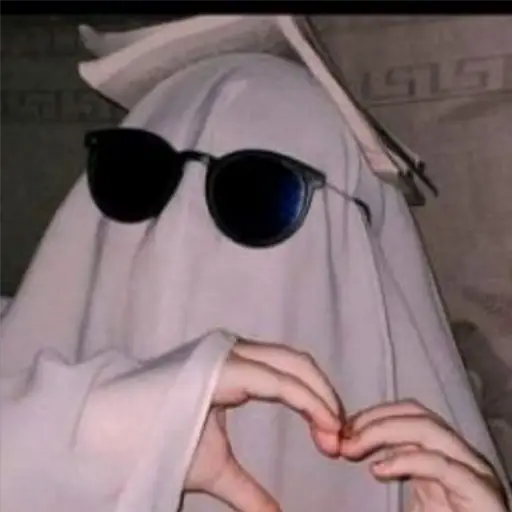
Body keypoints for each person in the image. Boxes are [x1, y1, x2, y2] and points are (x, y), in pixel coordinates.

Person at [0, 35, 510, 511]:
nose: (179, 234)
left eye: (259, 195)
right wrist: (83, 433)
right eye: (135, 175)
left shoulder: (433, 491)